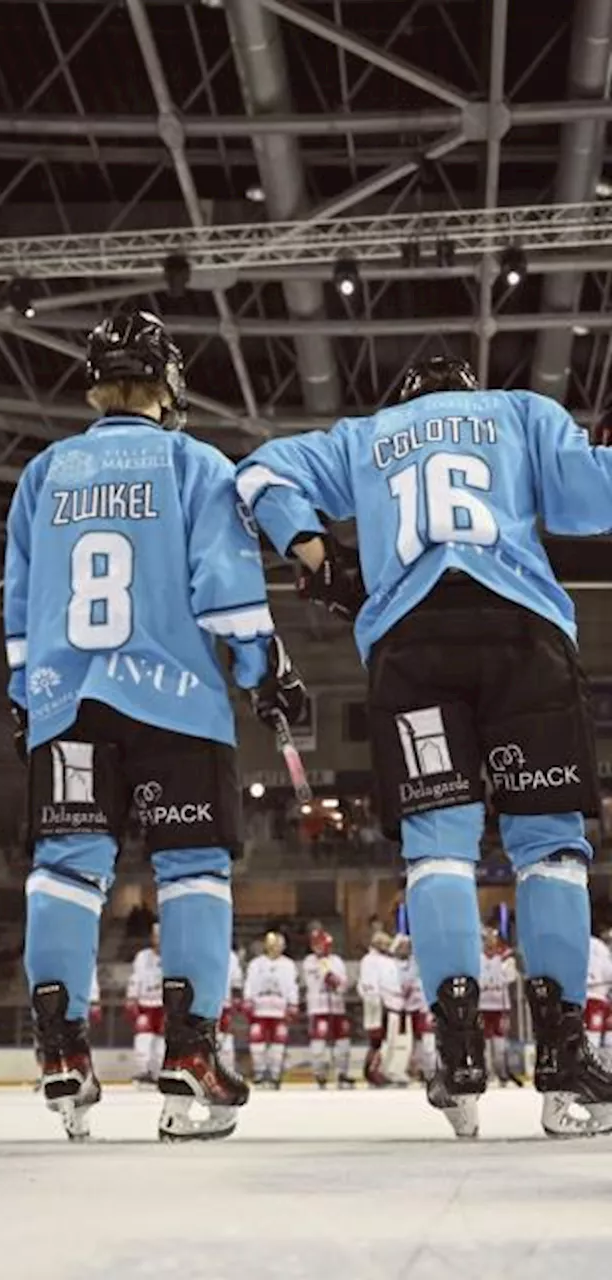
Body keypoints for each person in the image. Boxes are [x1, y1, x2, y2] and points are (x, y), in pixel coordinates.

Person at [237, 353, 612, 1139]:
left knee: (438, 852)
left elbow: (258, 478)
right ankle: (564, 1063)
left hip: (410, 643)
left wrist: (321, 562)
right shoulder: (519, 414)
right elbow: (595, 497)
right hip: (521, 632)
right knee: (549, 848)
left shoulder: (366, 435)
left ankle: (458, 1054)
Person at [4, 309, 306, 1141]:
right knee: (193, 869)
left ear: (94, 382)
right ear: (168, 383)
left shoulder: (45, 472)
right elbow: (228, 589)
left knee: (65, 869)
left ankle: (61, 1051)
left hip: (68, 701)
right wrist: (265, 671)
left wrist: (25, 694)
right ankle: (192, 1050)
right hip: (176, 700)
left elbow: (22, 607)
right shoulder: (193, 462)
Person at [242, 932, 299, 1088]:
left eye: (280, 945)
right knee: (257, 1042)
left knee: (278, 1044)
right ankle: (259, 1074)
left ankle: (275, 1075)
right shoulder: (256, 964)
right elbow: (250, 983)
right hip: (260, 1009)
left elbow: (291, 985)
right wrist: (248, 999)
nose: (277, 948)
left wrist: (293, 1003)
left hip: (279, 1009)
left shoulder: (288, 964)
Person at [301, 928, 353, 1088]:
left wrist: (337, 982)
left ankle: (342, 1073)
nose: (319, 947)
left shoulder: (336, 960)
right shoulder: (309, 961)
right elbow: (313, 980)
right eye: (316, 944)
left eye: (321, 944)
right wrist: (327, 976)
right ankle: (320, 1074)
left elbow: (344, 983)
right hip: (318, 1008)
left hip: (337, 1007)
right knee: (318, 1045)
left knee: (343, 1042)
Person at [480, 926, 523, 1086]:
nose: (490, 943)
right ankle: (488, 1073)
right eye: (487, 940)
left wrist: (507, 964)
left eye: (493, 939)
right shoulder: (477, 959)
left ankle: (502, 1073)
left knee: (499, 1044)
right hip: (482, 1006)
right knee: (484, 1043)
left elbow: (510, 977)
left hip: (499, 1006)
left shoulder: (504, 958)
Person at [124, 922, 164, 1085]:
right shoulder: (142, 956)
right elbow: (135, 978)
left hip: (165, 1005)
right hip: (145, 1004)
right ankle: (143, 1070)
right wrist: (131, 998)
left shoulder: (174, 955)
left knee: (162, 1041)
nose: (158, 940)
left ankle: (159, 1072)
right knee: (143, 1038)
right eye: (155, 936)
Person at [392, 935, 435, 1081]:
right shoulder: (390, 965)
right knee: (406, 1042)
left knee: (426, 1039)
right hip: (402, 1010)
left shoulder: (417, 962)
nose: (405, 949)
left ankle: (427, 1070)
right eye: (402, 946)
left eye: (408, 946)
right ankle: (406, 1069)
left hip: (422, 1007)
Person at [357, 931, 395, 1086]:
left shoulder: (382, 960)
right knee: (377, 1040)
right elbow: (369, 984)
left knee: (381, 1040)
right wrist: (377, 1001)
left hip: (386, 1003)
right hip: (378, 1004)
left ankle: (377, 1069)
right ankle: (372, 1071)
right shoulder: (371, 960)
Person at [218, 945, 244, 1073]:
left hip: (224, 1004)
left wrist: (237, 1000)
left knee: (226, 1040)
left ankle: (228, 1071)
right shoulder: (201, 952)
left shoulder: (231, 956)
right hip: (203, 1005)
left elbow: (236, 981)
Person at [585, 929, 612, 1053]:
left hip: (584, 997)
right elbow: (608, 974)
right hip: (596, 998)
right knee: (593, 1038)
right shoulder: (601, 949)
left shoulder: (591, 944)